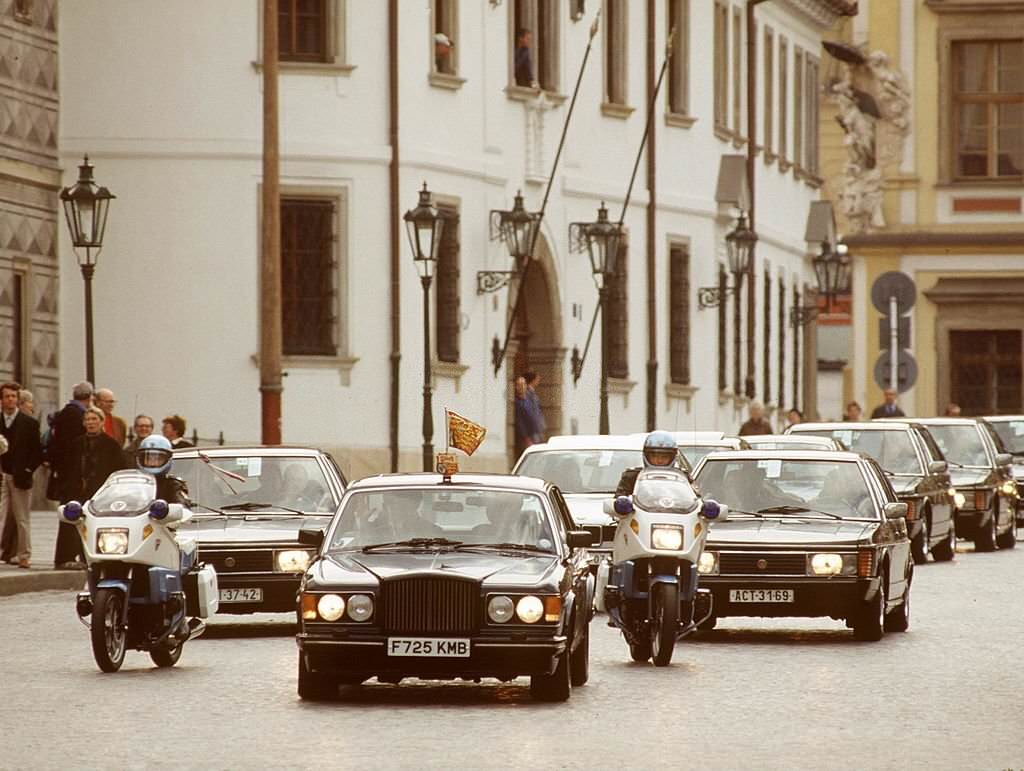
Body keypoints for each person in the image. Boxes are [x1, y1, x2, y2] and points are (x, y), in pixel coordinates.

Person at [48, 381, 93, 568]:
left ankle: (69, 556)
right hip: (73, 476)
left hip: (65, 474)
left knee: (70, 515)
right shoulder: (77, 416)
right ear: (89, 397)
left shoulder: (65, 413)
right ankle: (66, 557)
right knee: (72, 516)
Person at [0, 382, 41, 569]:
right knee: (1, 515)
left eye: (13, 396)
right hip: (2, 474)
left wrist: (27, 470)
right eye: (7, 396)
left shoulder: (29, 423)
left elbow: (37, 452)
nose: (10, 400)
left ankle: (24, 554)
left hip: (19, 476)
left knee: (22, 517)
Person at [68, 406, 127, 506]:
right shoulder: (76, 443)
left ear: (102, 421)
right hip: (79, 492)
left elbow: (119, 469)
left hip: (103, 493)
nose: (91, 422)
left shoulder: (112, 445)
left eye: (94, 419)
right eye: (87, 419)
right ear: (84, 423)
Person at [616, 431, 682, 497]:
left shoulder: (681, 477)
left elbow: (690, 498)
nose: (659, 461)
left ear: (672, 457)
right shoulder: (631, 477)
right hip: (639, 507)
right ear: (646, 456)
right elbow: (620, 498)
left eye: (664, 457)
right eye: (654, 456)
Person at [135, 434, 190, 505]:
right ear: (140, 459)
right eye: (148, 459)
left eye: (158, 459)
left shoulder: (173, 484)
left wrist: (176, 508)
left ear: (168, 458)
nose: (153, 463)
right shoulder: (134, 483)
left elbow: (181, 505)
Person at [513, 376, 541, 457]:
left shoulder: (530, 398)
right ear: (516, 387)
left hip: (535, 432)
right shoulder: (516, 402)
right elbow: (519, 421)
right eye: (519, 384)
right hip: (525, 436)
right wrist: (526, 438)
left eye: (523, 384)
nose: (522, 386)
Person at [524, 371, 547, 443]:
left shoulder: (532, 392)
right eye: (537, 379)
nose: (538, 381)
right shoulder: (527, 393)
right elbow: (531, 412)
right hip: (533, 428)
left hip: (537, 427)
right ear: (533, 380)